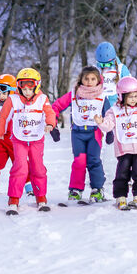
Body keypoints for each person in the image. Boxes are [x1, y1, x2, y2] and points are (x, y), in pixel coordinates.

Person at [0, 67, 58, 214]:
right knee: (20, 167)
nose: (27, 91)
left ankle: (41, 197)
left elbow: (50, 112)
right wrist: (0, 131)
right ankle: (14, 199)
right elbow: (3, 115)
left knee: (38, 167)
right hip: (19, 140)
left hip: (36, 139)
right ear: (19, 87)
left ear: (36, 86)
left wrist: (50, 124)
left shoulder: (42, 99)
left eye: (30, 88)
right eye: (24, 88)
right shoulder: (13, 99)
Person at [51, 65, 113, 203]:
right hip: (78, 133)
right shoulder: (74, 94)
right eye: (86, 78)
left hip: (94, 133)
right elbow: (56, 106)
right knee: (79, 161)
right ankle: (75, 190)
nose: (89, 82)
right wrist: (53, 122)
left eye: (93, 79)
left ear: (98, 80)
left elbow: (109, 115)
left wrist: (110, 132)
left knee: (94, 160)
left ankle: (97, 190)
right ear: (81, 80)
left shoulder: (102, 96)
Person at [94, 76, 137, 210]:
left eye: (136, 96)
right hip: (124, 149)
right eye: (130, 96)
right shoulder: (115, 110)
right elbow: (108, 125)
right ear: (121, 96)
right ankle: (120, 196)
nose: (134, 99)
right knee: (122, 174)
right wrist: (101, 123)